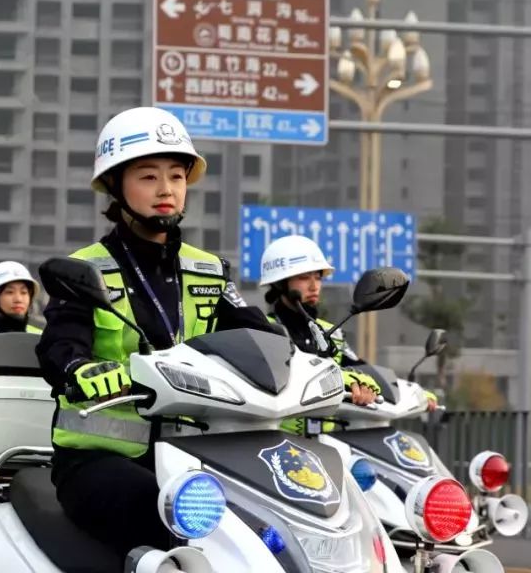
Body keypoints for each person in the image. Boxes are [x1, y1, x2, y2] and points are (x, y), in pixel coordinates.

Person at [35, 107, 277, 563]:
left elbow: (257, 336)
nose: (166, 189)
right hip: (101, 461)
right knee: (168, 513)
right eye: (148, 177)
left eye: (176, 176)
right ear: (114, 186)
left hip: (194, 457)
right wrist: (80, 369)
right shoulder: (85, 270)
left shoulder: (209, 270)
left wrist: (310, 365)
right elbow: (58, 345)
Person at [260, 234, 438, 426]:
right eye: (304, 278)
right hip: (274, 442)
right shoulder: (264, 329)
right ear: (279, 283)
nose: (314, 286)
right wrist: (341, 378)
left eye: (318, 277)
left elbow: (362, 369)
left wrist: (413, 392)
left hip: (322, 444)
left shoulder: (330, 332)